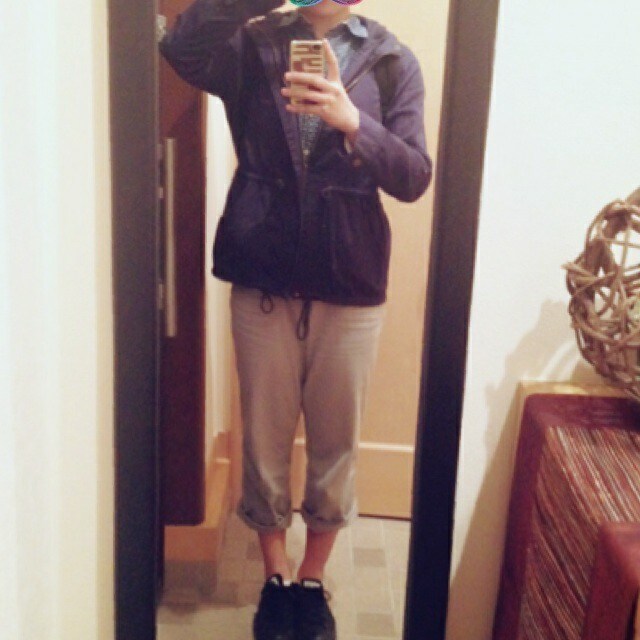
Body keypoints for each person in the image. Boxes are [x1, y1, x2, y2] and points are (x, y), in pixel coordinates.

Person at [160, 0, 432, 638]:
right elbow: (181, 46)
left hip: (349, 281)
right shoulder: (253, 44)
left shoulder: (393, 61)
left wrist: (353, 122)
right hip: (264, 272)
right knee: (263, 442)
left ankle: (312, 580)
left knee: (336, 446)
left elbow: (414, 176)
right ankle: (276, 578)